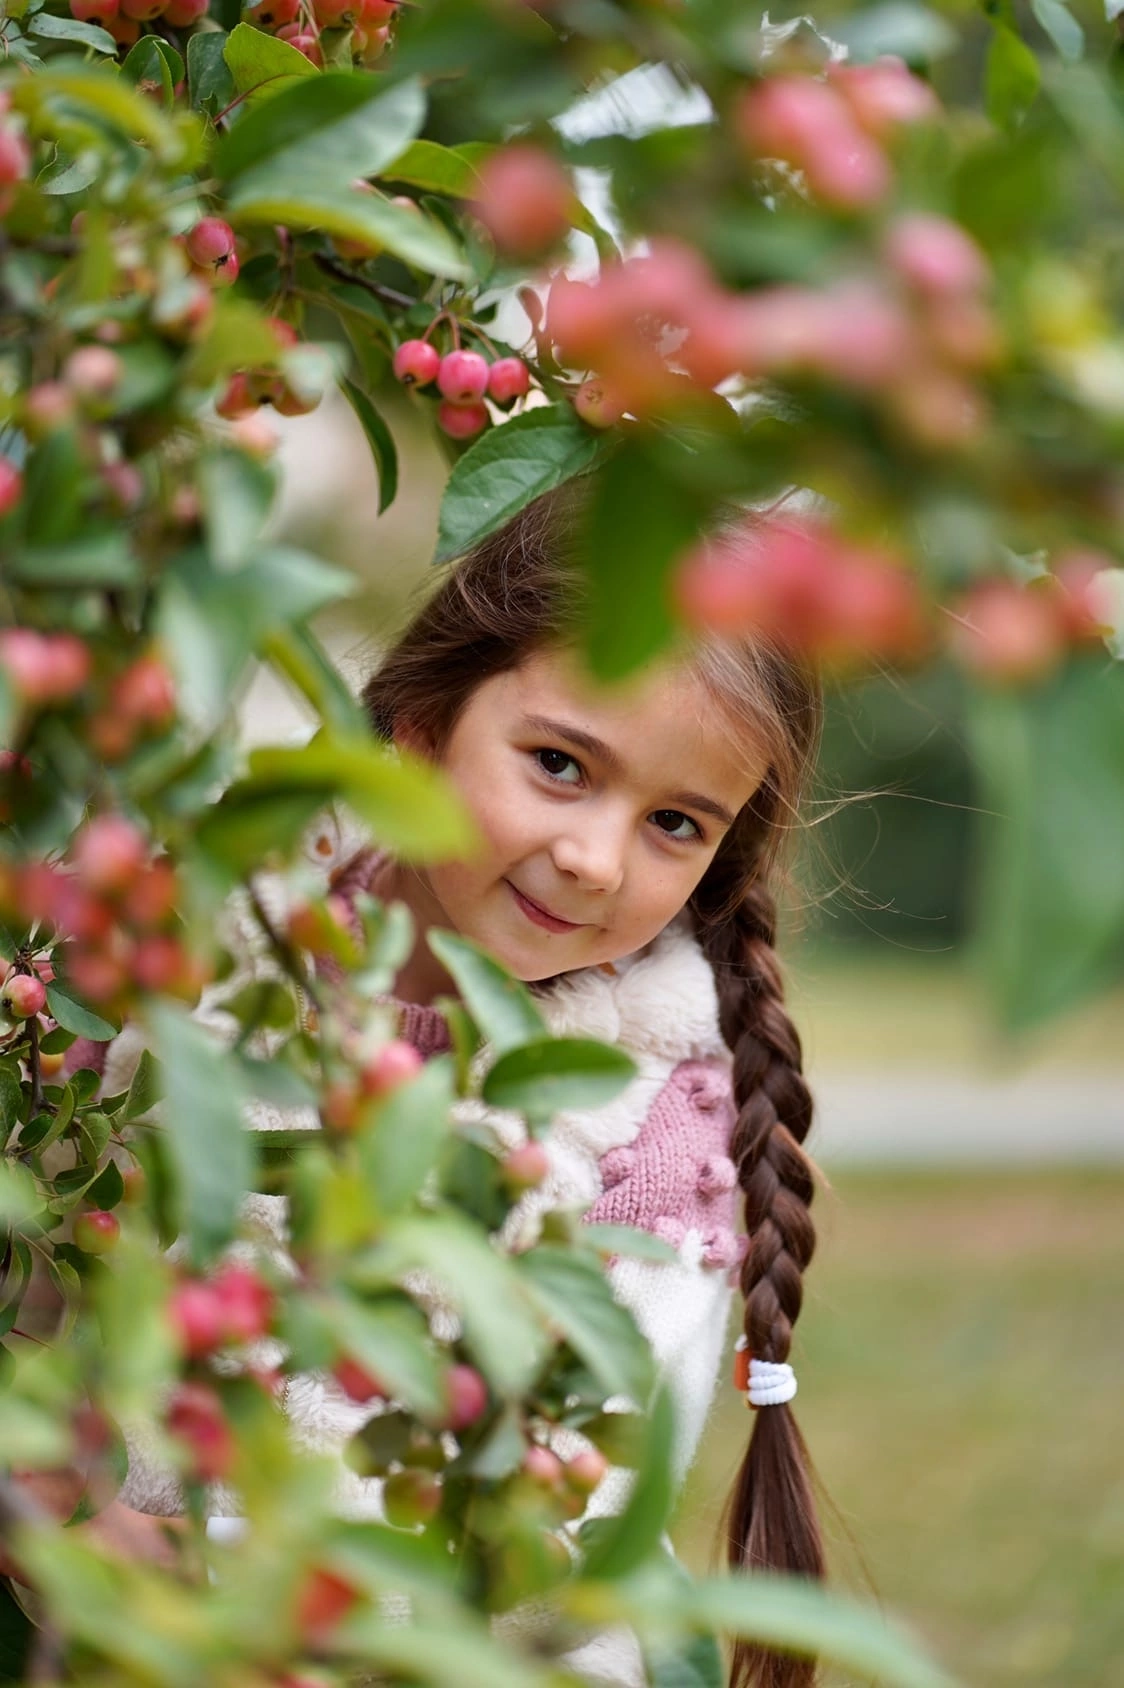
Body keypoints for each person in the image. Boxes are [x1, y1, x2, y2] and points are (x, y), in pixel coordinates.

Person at [44, 486, 826, 1688]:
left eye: (674, 821)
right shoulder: (193, 952)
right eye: (559, 763)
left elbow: (567, 1504)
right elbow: (41, 1266)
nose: (593, 856)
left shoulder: (661, 1121)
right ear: (418, 719)